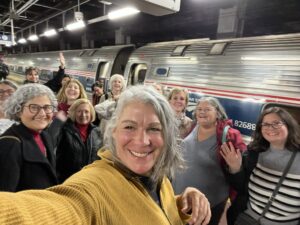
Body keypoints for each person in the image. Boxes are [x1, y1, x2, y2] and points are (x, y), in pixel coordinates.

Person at [0, 85, 211, 225]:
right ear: (113, 132)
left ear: (168, 137)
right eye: (129, 126)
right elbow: (58, 209)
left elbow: (144, 208)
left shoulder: (156, 175)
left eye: (155, 129)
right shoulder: (95, 185)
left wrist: (180, 204)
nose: (142, 140)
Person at [173, 96, 247, 225]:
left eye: (207, 109)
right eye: (199, 109)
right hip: (179, 196)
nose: (202, 112)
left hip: (208, 203)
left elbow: (240, 169)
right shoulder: (193, 126)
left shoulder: (229, 135)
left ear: (217, 113)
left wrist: (235, 168)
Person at [221, 107, 300, 225]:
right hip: (246, 219)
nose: (270, 128)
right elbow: (242, 189)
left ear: (289, 125)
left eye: (276, 123)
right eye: (265, 124)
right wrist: (235, 168)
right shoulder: (254, 154)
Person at [0, 84, 58, 192]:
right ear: (18, 110)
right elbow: (5, 195)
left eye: (47, 107)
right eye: (34, 107)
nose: (42, 113)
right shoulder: (9, 144)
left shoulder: (45, 136)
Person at [56, 98, 102, 183]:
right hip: (68, 180)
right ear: (74, 113)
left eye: (86, 111)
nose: (83, 114)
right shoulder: (64, 130)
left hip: (90, 180)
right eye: (79, 111)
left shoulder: (97, 132)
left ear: (91, 113)